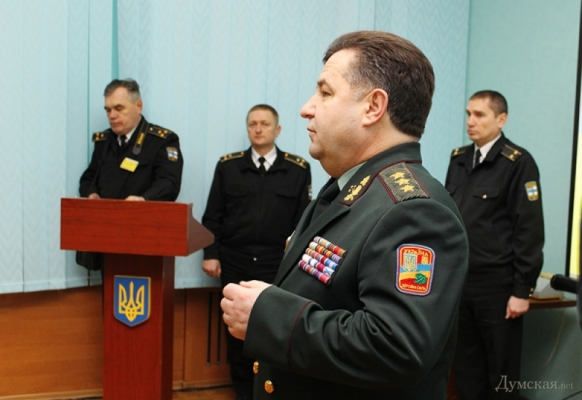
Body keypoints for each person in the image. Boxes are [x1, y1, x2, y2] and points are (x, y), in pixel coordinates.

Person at [220, 31, 469, 400]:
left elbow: (396, 347)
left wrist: (268, 315)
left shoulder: (414, 210)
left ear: (373, 107)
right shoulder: (348, 190)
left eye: (325, 92)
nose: (307, 108)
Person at [201, 104, 311, 400]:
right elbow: (213, 215)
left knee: (273, 329)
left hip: (276, 264)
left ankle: (269, 392)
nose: (258, 129)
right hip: (235, 261)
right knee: (236, 332)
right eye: (252, 124)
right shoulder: (228, 167)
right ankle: (242, 393)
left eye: (265, 123)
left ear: (278, 129)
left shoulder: (298, 169)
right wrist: (210, 254)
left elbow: (303, 223)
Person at [445, 90, 544, 400]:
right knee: (466, 368)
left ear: (501, 120)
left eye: (479, 115)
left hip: (498, 287)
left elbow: (529, 230)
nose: (470, 121)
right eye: (468, 114)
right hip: (462, 282)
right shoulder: (459, 159)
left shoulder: (518, 162)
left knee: (501, 371)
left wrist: (521, 290)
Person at [77, 78, 183, 269]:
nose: (112, 115)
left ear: (138, 106)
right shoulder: (104, 141)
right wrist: (91, 194)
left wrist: (144, 199)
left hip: (145, 235)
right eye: (108, 110)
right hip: (107, 236)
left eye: (119, 108)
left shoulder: (161, 140)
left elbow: (169, 183)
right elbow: (88, 178)